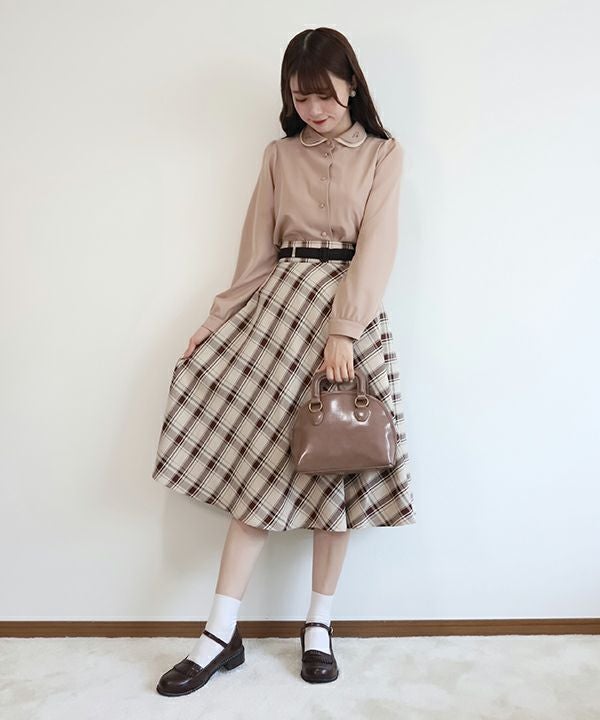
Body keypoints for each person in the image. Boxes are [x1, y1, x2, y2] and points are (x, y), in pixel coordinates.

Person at [152, 26, 416, 695]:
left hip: (348, 320)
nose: (314, 109)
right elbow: (255, 252)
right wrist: (216, 319)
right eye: (301, 98)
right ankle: (220, 632)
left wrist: (344, 331)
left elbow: (378, 246)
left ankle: (318, 625)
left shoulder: (383, 154)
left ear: (351, 85)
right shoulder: (278, 155)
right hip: (280, 313)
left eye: (324, 95)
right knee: (259, 474)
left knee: (340, 472)